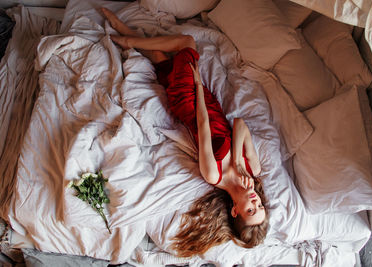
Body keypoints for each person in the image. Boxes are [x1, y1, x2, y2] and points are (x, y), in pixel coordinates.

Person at [101, 8, 269, 257]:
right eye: (260, 206)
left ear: (235, 211)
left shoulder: (214, 175)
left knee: (186, 43)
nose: (256, 201)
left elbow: (202, 126)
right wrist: (237, 160)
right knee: (159, 58)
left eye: (251, 210)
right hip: (209, 101)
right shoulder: (253, 171)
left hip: (189, 104)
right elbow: (241, 124)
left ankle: (127, 40)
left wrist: (198, 84)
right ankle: (126, 35)